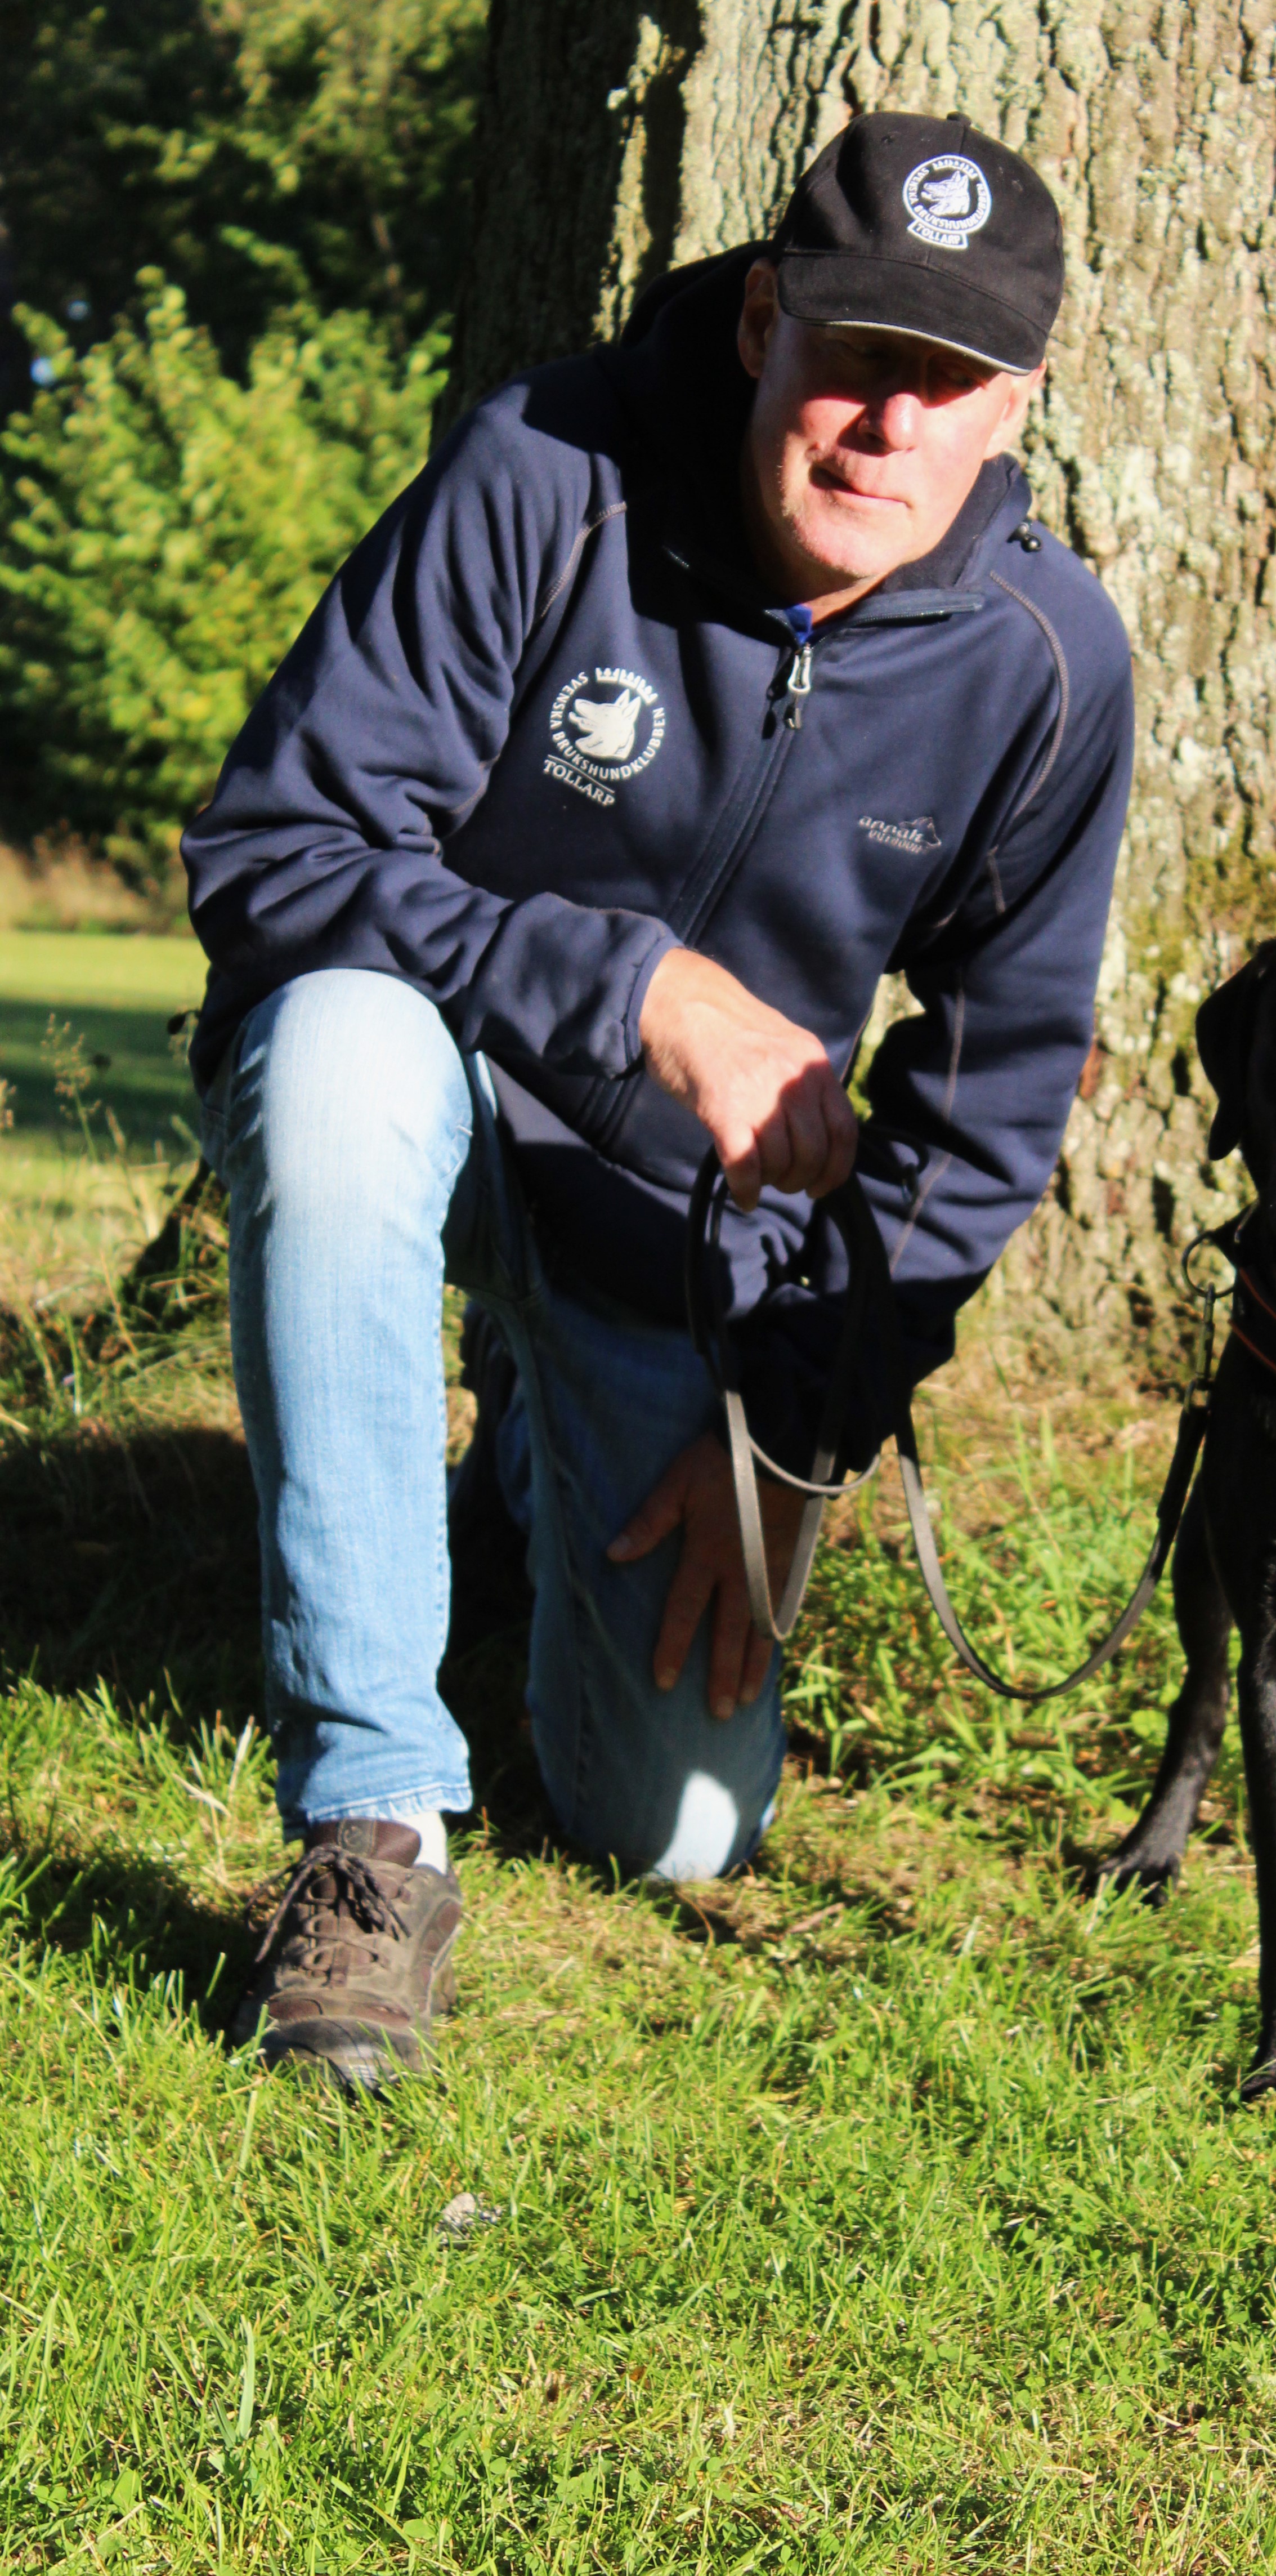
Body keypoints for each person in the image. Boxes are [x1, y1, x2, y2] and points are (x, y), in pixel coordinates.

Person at [182, 111, 1136, 2089]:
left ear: (1017, 401)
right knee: (337, 1059)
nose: (885, 424)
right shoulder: (551, 471)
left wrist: (793, 1427)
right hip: (432, 1107)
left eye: (946, 384)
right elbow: (274, 849)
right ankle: (368, 1826)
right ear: (762, 323)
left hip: (684, 1247)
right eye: (854, 355)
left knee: (684, 1823)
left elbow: (988, 1108)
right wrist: (631, 986)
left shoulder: (1049, 667)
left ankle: (531, 1463)